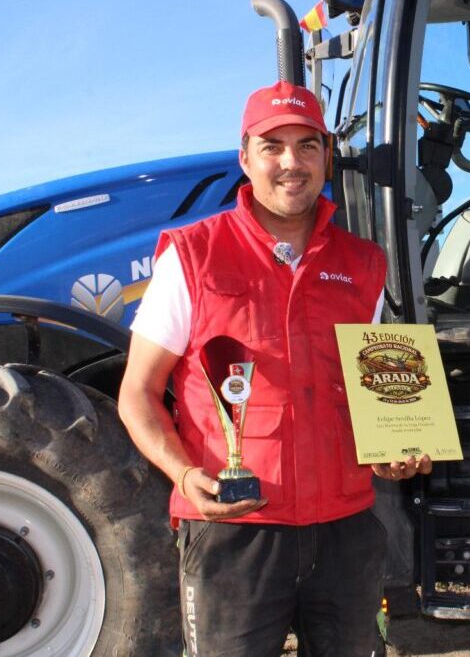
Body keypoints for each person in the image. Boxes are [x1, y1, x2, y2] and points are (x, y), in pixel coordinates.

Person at [118, 80, 432, 657]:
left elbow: (376, 392)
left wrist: (396, 448)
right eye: (272, 146)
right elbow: (137, 391)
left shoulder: (364, 264)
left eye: (308, 145)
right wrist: (183, 475)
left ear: (327, 156)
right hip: (234, 531)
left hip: (345, 530)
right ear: (245, 158)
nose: (292, 162)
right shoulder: (193, 255)